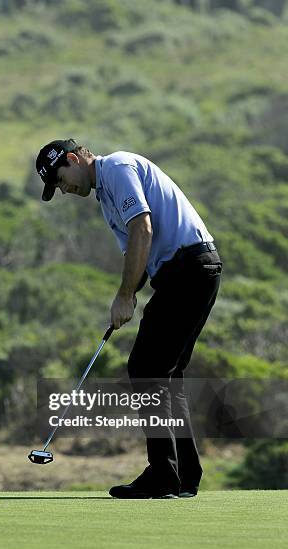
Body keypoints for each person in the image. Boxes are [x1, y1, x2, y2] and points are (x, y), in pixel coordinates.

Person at [35, 139, 223, 499]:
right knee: (166, 373)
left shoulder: (119, 168)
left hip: (189, 269)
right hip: (189, 272)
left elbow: (143, 229)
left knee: (145, 367)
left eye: (60, 180)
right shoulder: (106, 199)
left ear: (73, 159)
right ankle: (184, 475)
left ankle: (164, 475)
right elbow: (137, 253)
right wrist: (128, 292)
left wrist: (125, 296)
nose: (64, 190)